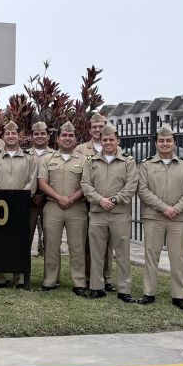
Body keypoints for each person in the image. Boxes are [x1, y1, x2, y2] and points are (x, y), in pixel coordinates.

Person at [137, 123, 183, 310]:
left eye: (168, 140)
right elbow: (142, 190)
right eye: (161, 141)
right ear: (156, 143)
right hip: (153, 217)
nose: (165, 144)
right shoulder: (146, 165)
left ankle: (178, 296)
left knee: (177, 257)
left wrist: (176, 209)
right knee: (151, 255)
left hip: (178, 218)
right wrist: (164, 208)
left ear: (174, 143)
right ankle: (149, 293)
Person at [80, 123, 138, 302]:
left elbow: (131, 185)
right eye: (104, 139)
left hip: (119, 214)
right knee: (97, 252)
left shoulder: (128, 161)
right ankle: (97, 287)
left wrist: (114, 200)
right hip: (98, 213)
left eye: (111, 139)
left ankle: (124, 289)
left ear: (118, 140)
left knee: (122, 252)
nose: (107, 142)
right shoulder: (91, 161)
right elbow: (85, 184)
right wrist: (100, 200)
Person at [37, 121, 88, 295]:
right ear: (57, 139)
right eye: (64, 135)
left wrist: (71, 199)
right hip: (53, 206)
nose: (67, 138)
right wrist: (60, 198)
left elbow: (87, 184)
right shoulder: (47, 159)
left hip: (77, 207)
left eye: (71, 136)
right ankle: (50, 280)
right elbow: (42, 182)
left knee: (77, 246)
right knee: (51, 244)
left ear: (75, 139)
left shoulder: (84, 160)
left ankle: (79, 282)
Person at [0, 121, 37, 288]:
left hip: (21, 207)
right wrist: (3, 197)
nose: (11, 136)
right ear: (3, 136)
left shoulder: (29, 157)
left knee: (20, 242)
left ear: (19, 136)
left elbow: (32, 182)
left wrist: (19, 198)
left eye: (14, 133)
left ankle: (19, 279)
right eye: (7, 134)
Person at [76, 112, 114, 291]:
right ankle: (87, 277)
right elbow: (79, 179)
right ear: (89, 129)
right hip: (87, 202)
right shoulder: (81, 150)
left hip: (110, 204)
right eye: (94, 127)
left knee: (107, 244)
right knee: (88, 243)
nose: (98, 130)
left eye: (101, 126)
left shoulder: (116, 148)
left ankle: (106, 278)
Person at [28, 120, 53, 258]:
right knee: (25, 237)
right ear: (31, 136)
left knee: (50, 240)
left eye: (43, 133)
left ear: (48, 136)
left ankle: (50, 278)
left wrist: (43, 195)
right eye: (36, 134)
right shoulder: (25, 154)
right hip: (29, 202)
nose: (39, 136)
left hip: (49, 201)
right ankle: (21, 276)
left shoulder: (55, 155)